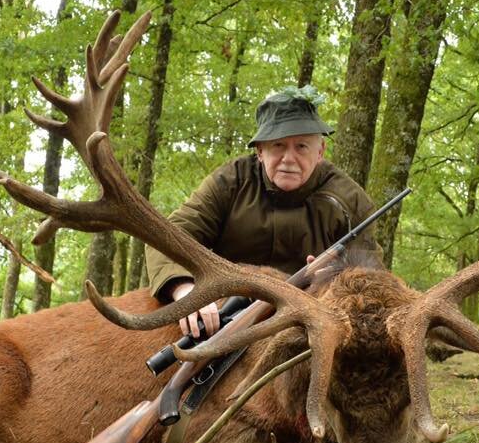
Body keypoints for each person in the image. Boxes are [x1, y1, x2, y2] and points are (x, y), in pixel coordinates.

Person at [146, 88, 379, 338]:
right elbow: (169, 237)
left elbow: (370, 277)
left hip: (311, 324)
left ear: (320, 151)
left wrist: (335, 280)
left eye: (301, 146)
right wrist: (185, 290)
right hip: (226, 315)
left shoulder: (351, 201)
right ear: (259, 151)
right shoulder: (230, 182)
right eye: (278, 145)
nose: (289, 159)